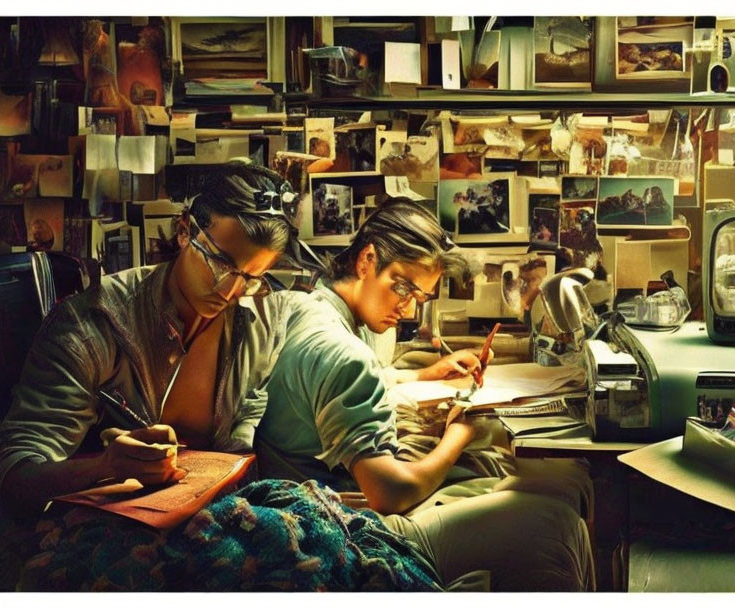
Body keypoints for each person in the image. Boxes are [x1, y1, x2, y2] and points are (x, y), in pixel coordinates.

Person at [255, 198, 595, 591]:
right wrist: (458, 436)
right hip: (344, 522)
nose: (407, 309)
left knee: (543, 482)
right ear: (366, 260)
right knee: (553, 521)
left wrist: (420, 373)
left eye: (418, 297)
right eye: (401, 287)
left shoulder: (309, 307)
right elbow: (389, 493)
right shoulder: (344, 352)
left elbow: (330, 386)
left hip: (306, 491)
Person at [0, 161, 308, 517]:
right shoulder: (94, 325)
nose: (231, 290)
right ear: (184, 230)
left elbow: (242, 437)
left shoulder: (258, 320)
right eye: (221, 263)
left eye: (252, 276)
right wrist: (103, 468)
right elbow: (2, 474)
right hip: (90, 535)